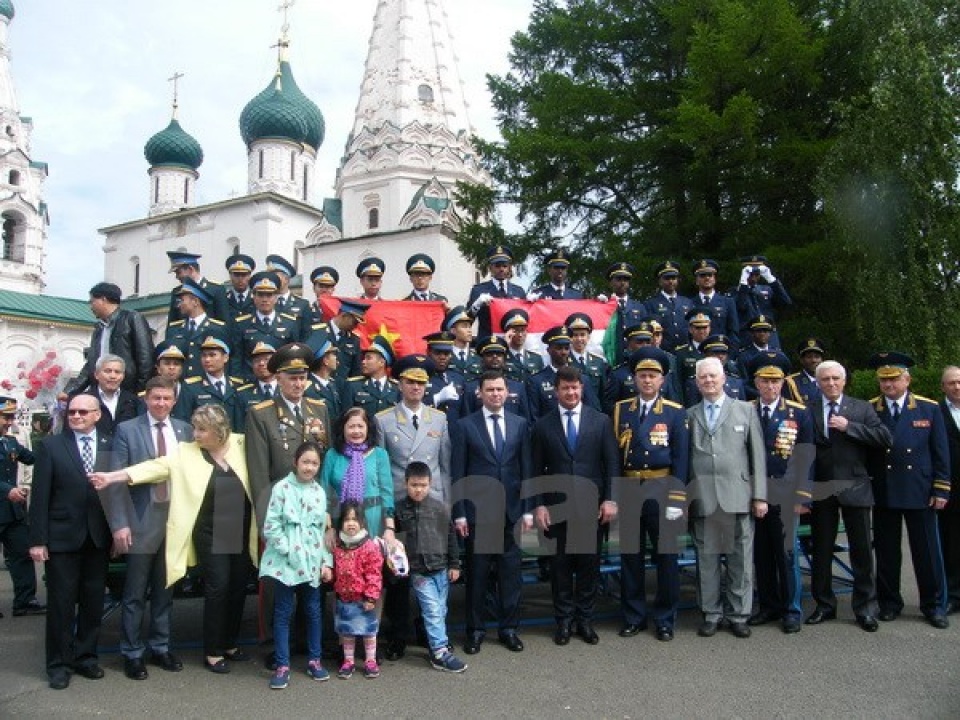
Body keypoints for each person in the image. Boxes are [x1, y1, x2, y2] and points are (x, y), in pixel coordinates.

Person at [90, 404, 258, 673]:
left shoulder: (241, 443)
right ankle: (213, 650)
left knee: (238, 586)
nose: (195, 434)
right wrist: (112, 476)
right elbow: (154, 467)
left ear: (219, 431)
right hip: (209, 528)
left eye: (202, 429)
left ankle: (229, 642)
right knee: (218, 586)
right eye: (194, 427)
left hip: (238, 524)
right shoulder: (186, 452)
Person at [101, 377, 193, 681]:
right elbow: (115, 483)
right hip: (140, 521)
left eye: (167, 399)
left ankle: (160, 646)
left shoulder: (185, 430)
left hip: (174, 521)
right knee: (135, 592)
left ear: (174, 400)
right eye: (156, 398)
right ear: (146, 398)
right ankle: (132, 652)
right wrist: (120, 524)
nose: (161, 404)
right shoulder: (128, 430)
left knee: (165, 591)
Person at [29, 394, 112, 690]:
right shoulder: (51, 446)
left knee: (92, 602)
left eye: (82, 411)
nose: (75, 416)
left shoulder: (109, 443)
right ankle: (59, 664)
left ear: (97, 415)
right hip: (62, 537)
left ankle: (86, 657)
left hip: (98, 538)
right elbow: (39, 496)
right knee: (62, 604)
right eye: (71, 411)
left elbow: (116, 496)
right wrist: (38, 540)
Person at [532, 366, 619, 645]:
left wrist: (610, 498)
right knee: (559, 568)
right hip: (556, 509)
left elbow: (612, 464)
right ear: (556, 391)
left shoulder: (601, 421)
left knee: (588, 566)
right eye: (565, 388)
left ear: (582, 389)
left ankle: (585, 620)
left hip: (592, 507)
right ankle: (564, 621)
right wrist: (539, 505)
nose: (571, 392)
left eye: (575, 387)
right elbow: (535, 470)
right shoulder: (543, 425)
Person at [375, 355, 452, 660]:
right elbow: (382, 469)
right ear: (400, 383)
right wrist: (385, 513)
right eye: (410, 381)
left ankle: (428, 629)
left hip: (431, 505)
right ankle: (397, 636)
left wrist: (445, 505)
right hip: (399, 505)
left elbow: (444, 466)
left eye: (421, 382)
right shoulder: (383, 419)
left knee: (431, 568)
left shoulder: (440, 419)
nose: (416, 387)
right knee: (398, 575)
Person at [806, 360, 892, 631]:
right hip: (821, 489)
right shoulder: (807, 409)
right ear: (817, 383)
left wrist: (849, 427)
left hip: (855, 487)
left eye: (835, 378)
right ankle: (824, 605)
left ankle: (865, 607)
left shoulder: (861, 407)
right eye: (825, 379)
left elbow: (884, 437)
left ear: (844, 381)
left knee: (862, 551)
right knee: (821, 550)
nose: (830, 383)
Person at [867, 352, 950, 629]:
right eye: (883, 380)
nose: (888, 385)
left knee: (926, 551)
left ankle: (933, 604)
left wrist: (941, 488)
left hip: (920, 489)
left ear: (907, 379)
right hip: (885, 489)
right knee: (887, 552)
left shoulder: (928, 408)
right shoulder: (871, 409)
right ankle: (889, 602)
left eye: (894, 379)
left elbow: (940, 452)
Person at [452, 371, 533, 655]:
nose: (495, 394)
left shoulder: (520, 424)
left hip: (511, 513)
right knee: (478, 578)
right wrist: (459, 513)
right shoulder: (464, 426)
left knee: (511, 576)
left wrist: (527, 510)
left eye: (500, 390)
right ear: (480, 393)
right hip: (478, 514)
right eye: (490, 390)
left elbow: (526, 469)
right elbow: (458, 471)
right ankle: (475, 631)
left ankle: (509, 629)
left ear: (507, 393)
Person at [612, 348, 689, 642]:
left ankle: (665, 618)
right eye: (642, 375)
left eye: (653, 375)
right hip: (630, 490)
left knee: (666, 558)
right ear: (634, 378)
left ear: (663, 379)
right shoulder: (621, 410)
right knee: (630, 557)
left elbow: (682, 458)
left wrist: (677, 498)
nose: (647, 380)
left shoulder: (674, 411)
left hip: (662, 488)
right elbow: (615, 457)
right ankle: (633, 616)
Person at [687, 356, 767, 639]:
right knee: (707, 561)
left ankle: (738, 614)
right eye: (703, 377)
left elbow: (758, 456)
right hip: (703, 499)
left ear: (724, 379)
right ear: (697, 382)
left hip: (739, 496)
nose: (708, 381)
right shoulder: (690, 414)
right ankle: (711, 613)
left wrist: (760, 496)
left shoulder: (745, 410)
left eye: (713, 376)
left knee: (741, 561)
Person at [746, 352, 814, 634]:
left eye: (775, 381)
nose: (770, 386)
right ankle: (769, 605)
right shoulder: (746, 410)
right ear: (756, 382)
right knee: (761, 554)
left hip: (787, 493)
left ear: (783, 382)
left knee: (786, 555)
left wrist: (803, 495)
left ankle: (791, 609)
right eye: (765, 381)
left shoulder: (798, 412)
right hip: (755, 493)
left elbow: (806, 456)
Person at [260, 441, 334, 689]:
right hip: (286, 562)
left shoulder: (319, 492)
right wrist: (288, 550)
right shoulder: (281, 488)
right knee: (282, 612)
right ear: (295, 462)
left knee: (313, 611)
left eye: (314, 463)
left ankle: (314, 660)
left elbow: (323, 531)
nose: (309, 467)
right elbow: (271, 526)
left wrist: (326, 562)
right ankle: (282, 664)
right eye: (305, 462)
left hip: (312, 560)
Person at [394, 461, 467, 673]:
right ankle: (440, 652)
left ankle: (428, 633)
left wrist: (455, 564)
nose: (418, 489)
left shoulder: (440, 508)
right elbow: (394, 541)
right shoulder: (398, 509)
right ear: (406, 483)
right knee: (433, 609)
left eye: (423, 485)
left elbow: (451, 537)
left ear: (430, 483)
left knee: (440, 610)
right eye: (414, 485)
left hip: (441, 567)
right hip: (418, 570)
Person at [63, 282, 154, 396]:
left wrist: (140, 392)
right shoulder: (99, 329)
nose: (91, 307)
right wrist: (70, 391)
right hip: (101, 393)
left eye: (92, 302)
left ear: (103, 299)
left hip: (127, 392)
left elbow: (145, 359)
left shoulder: (132, 319)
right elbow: (91, 365)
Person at [320, 407, 395, 540]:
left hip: (373, 520)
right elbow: (323, 493)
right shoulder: (332, 455)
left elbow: (387, 494)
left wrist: (389, 528)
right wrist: (328, 528)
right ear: (343, 429)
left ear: (368, 428)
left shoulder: (379, 455)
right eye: (351, 427)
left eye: (360, 426)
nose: (356, 431)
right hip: (341, 521)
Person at [0, 397, 44, 619]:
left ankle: (25, 601)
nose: (10, 421)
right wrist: (6, 489)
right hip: (6, 499)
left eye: (11, 416)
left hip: (12, 511)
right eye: (5, 416)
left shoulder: (10, 442)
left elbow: (33, 458)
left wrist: (55, 449)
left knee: (21, 554)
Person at [331, 500, 384, 679]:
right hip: (344, 598)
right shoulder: (338, 546)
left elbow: (374, 573)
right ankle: (348, 661)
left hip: (363, 599)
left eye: (355, 519)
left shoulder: (369, 546)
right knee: (347, 631)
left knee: (369, 631)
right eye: (346, 520)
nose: (351, 523)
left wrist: (371, 597)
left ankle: (370, 660)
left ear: (362, 522)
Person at [231, 271, 304, 380]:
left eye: (269, 295)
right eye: (260, 294)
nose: (265, 299)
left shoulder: (290, 323)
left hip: (280, 383)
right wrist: (237, 383)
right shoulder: (241, 324)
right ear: (254, 297)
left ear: (276, 297)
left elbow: (294, 357)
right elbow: (237, 358)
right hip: (250, 384)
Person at [179, 336, 253, 433]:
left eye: (212, 355)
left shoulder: (238, 385)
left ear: (225, 358)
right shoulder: (190, 387)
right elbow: (183, 422)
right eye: (204, 355)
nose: (207, 359)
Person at [164, 278, 231, 379]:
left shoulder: (217, 328)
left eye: (182, 300)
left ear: (195, 301)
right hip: (181, 386)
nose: (179, 305)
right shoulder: (174, 329)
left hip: (206, 386)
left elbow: (226, 359)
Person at [467, 244, 526, 338]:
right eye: (497, 266)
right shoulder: (478, 290)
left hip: (512, 341)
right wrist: (476, 305)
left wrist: (532, 305)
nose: (501, 269)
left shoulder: (519, 291)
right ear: (490, 268)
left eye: (505, 266)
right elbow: (467, 321)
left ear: (510, 268)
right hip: (487, 342)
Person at [305, 299, 369, 384]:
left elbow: (356, 371)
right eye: (354, 322)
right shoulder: (317, 332)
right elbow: (307, 360)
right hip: (318, 387)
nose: (355, 326)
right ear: (344, 315)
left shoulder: (354, 340)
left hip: (342, 389)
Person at [938, 365, 960, 614]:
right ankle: (953, 594)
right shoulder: (936, 411)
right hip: (950, 488)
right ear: (943, 386)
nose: (957, 387)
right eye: (952, 383)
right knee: (951, 545)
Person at [734, 255, 792, 348]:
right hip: (747, 339)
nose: (753, 277)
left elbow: (785, 302)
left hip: (769, 339)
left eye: (757, 274)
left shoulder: (767, 289)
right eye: (750, 273)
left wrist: (771, 279)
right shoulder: (735, 292)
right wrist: (743, 283)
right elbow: (741, 306)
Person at [165, 251, 230, 324]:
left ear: (190, 269)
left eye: (178, 272)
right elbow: (172, 325)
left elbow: (224, 323)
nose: (177, 277)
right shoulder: (176, 292)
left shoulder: (216, 290)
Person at [342, 336, 400, 417]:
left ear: (381, 362)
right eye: (363, 358)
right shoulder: (353, 386)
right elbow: (345, 417)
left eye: (368, 358)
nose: (363, 362)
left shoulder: (397, 388)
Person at [643, 261, 693, 352]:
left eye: (673, 278)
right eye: (667, 278)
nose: (670, 281)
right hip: (663, 351)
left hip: (686, 351)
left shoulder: (688, 302)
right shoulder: (650, 304)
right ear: (660, 281)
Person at [86, 354, 139, 437]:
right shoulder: (83, 400)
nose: (113, 376)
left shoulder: (133, 401)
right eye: (107, 371)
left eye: (117, 372)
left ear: (123, 376)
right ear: (96, 374)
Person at [605, 262, 647, 363]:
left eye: (626, 279)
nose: (622, 282)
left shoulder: (639, 307)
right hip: (612, 355)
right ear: (611, 282)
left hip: (635, 356)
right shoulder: (605, 305)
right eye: (618, 279)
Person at [691, 259, 739, 343]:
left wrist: (729, 355)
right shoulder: (689, 303)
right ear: (696, 281)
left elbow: (733, 333)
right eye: (702, 275)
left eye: (710, 275)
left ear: (715, 279)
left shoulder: (728, 302)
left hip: (721, 351)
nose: (707, 278)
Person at [500, 309, 544, 382]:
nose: (520, 335)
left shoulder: (536, 358)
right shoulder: (501, 357)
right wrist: (505, 346)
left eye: (523, 330)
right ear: (508, 333)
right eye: (516, 331)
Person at [786, 337, 826, 404]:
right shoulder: (792, 382)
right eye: (809, 357)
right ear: (801, 360)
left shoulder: (829, 379)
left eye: (817, 357)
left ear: (822, 360)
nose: (813, 360)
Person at [224, 253, 256, 321]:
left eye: (244, 275)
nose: (240, 279)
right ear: (230, 276)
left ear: (249, 276)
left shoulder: (256, 299)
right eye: (236, 275)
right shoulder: (223, 299)